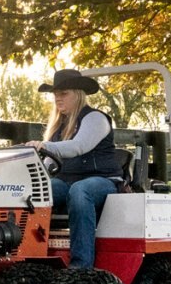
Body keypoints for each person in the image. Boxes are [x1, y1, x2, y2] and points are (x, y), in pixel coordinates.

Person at [26, 69, 122, 270]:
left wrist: (45, 146)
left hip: (102, 181)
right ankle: (30, 258)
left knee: (80, 191)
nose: (58, 99)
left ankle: (81, 267)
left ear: (78, 94)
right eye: (56, 95)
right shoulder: (58, 127)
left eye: (64, 94)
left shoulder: (95, 118)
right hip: (68, 180)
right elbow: (50, 163)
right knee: (36, 192)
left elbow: (78, 146)